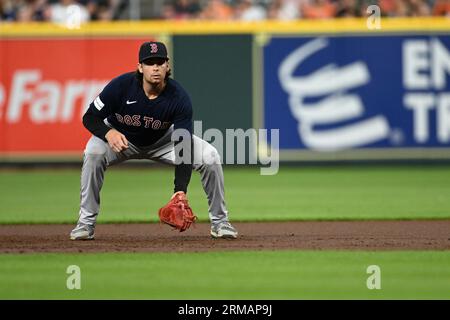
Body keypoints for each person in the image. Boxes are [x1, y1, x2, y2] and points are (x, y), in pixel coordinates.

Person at [70, 41, 238, 240]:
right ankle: (85, 224)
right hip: (121, 138)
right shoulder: (121, 86)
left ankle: (220, 222)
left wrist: (180, 190)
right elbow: (89, 117)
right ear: (140, 67)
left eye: (160, 62)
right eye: (150, 63)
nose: (156, 67)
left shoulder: (179, 97)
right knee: (93, 154)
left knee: (210, 157)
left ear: (167, 66)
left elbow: (184, 144)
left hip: (163, 141)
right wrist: (108, 133)